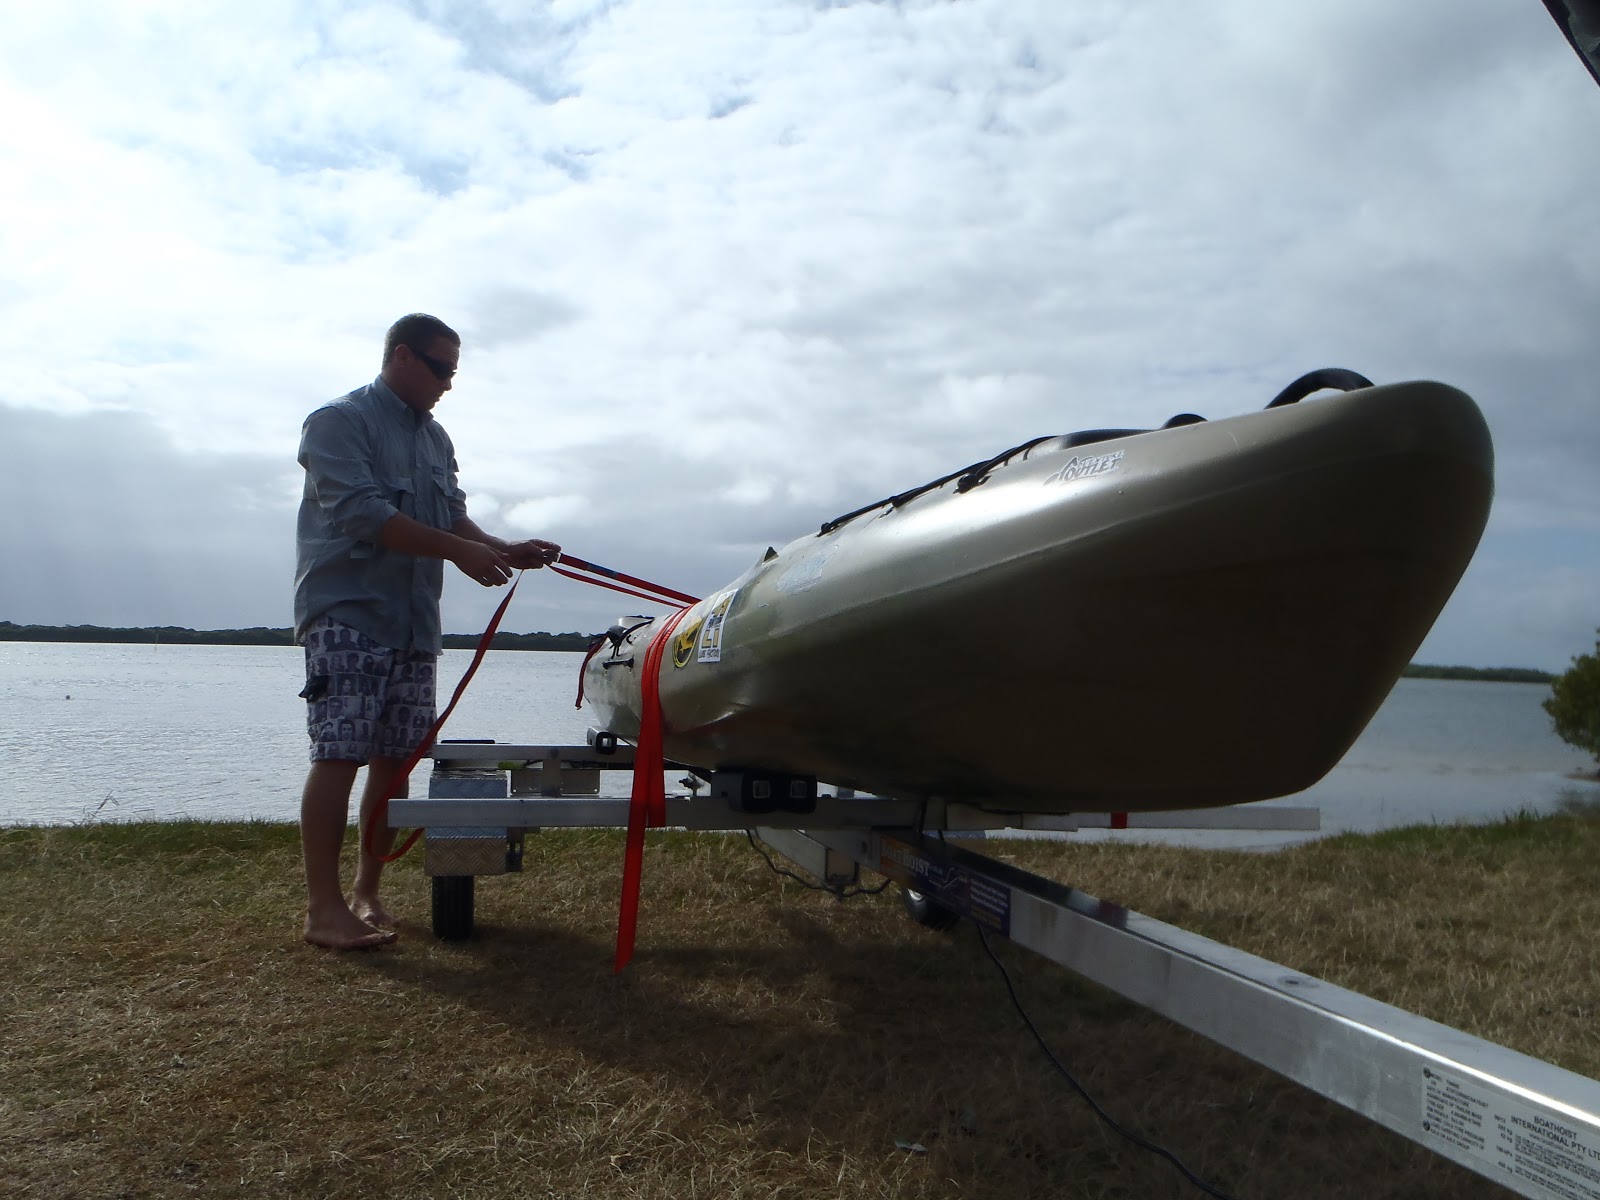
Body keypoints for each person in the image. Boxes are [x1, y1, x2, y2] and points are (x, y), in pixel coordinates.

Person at [294, 313, 560, 950]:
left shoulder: (436, 439)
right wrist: (457, 553)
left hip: (415, 622)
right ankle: (322, 910)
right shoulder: (338, 421)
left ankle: (367, 892)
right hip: (348, 613)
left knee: (396, 762)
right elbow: (361, 512)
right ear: (402, 357)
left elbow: (453, 514)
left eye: (454, 373)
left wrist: (502, 547)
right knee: (339, 755)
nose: (447, 384)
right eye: (440, 369)